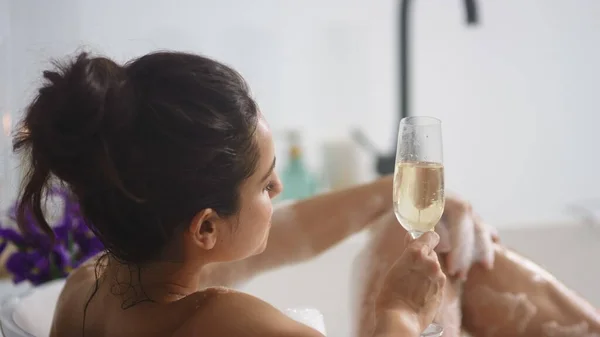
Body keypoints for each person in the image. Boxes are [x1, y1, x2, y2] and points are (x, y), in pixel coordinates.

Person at [15, 51, 448, 337]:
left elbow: (294, 235)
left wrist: (389, 196)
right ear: (205, 227)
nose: (279, 188)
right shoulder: (234, 323)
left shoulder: (83, 290)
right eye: (265, 183)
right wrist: (401, 313)